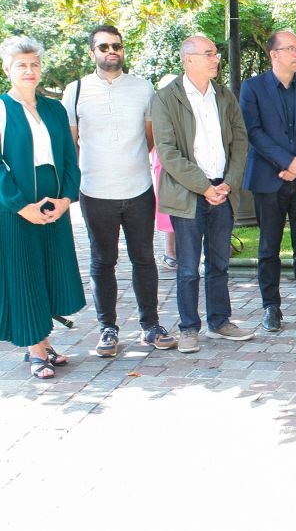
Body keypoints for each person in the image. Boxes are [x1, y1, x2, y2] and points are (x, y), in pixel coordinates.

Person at [62, 25, 176, 356]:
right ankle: (108, 329)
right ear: (92, 52)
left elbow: (149, 136)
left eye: (117, 46)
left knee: (144, 259)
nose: (112, 51)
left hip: (138, 188)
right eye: (104, 47)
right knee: (102, 262)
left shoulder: (143, 88)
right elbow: (72, 142)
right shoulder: (76, 90)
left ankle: (150, 325)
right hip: (95, 191)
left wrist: (129, 162)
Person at [151, 35, 253, 353]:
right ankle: (188, 328)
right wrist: (204, 186)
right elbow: (167, 152)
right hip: (188, 193)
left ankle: (220, 322)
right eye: (209, 53)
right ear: (188, 59)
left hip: (222, 189)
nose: (216, 59)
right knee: (187, 266)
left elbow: (240, 142)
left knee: (220, 263)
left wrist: (228, 183)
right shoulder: (166, 98)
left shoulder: (223, 95)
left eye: (216, 53)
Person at [0, 36, 86, 379]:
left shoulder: (53, 108)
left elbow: (69, 156)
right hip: (16, 210)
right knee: (26, 275)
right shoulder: (2, 109)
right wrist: (21, 206)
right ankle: (35, 349)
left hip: (54, 205)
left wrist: (67, 199)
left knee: (49, 273)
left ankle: (44, 341)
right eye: (21, 65)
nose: (29, 70)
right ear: (8, 69)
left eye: (35, 64)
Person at [240, 30, 296, 332]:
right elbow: (254, 132)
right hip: (269, 179)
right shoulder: (252, 88)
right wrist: (285, 161)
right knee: (268, 248)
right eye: (291, 48)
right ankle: (271, 307)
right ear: (273, 54)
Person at [153, 74, 178, 269]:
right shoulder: (157, 108)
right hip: (163, 161)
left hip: (187, 163)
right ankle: (170, 252)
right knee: (168, 208)